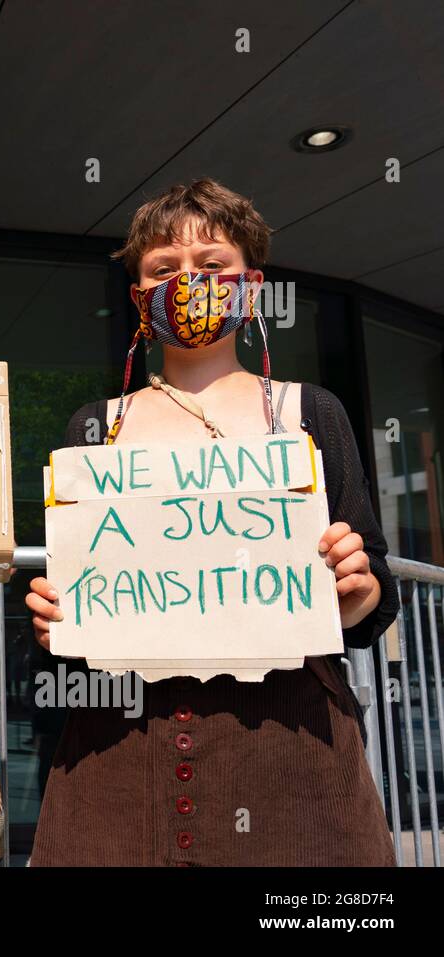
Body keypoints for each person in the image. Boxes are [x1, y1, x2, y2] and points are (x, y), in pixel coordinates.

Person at [24, 178, 398, 866]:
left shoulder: (310, 414)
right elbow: (74, 606)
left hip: (289, 751)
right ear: (139, 296)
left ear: (251, 285)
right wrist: (52, 620)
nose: (188, 281)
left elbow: (371, 582)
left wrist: (358, 589)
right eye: (163, 269)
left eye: (212, 265)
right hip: (121, 750)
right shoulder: (96, 429)